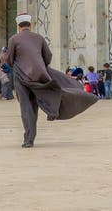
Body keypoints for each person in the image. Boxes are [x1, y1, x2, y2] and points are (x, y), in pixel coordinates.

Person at [7, 13, 98, 148]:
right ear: (30, 25)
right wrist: (41, 66)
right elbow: (48, 56)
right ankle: (51, 110)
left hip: (21, 76)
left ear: (18, 26)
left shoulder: (14, 39)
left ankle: (29, 139)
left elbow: (10, 59)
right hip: (39, 75)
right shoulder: (39, 38)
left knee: (26, 106)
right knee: (38, 100)